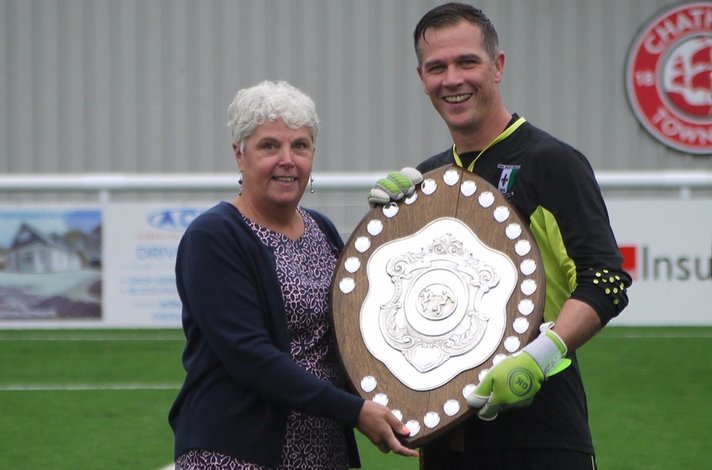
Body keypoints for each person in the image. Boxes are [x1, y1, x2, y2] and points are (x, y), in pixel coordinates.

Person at [370, 3, 632, 469]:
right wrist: (385, 227)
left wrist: (538, 357)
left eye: (467, 62)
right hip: (443, 440)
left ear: (498, 66)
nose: (452, 79)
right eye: (437, 67)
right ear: (421, 78)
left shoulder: (551, 163)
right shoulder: (427, 180)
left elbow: (607, 280)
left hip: (542, 438)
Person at [168, 80, 418, 470]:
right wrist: (355, 411)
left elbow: (356, 330)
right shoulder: (214, 236)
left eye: (300, 146)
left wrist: (402, 228)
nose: (287, 160)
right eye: (269, 146)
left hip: (324, 454)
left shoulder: (322, 229)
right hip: (235, 454)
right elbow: (250, 356)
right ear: (240, 154)